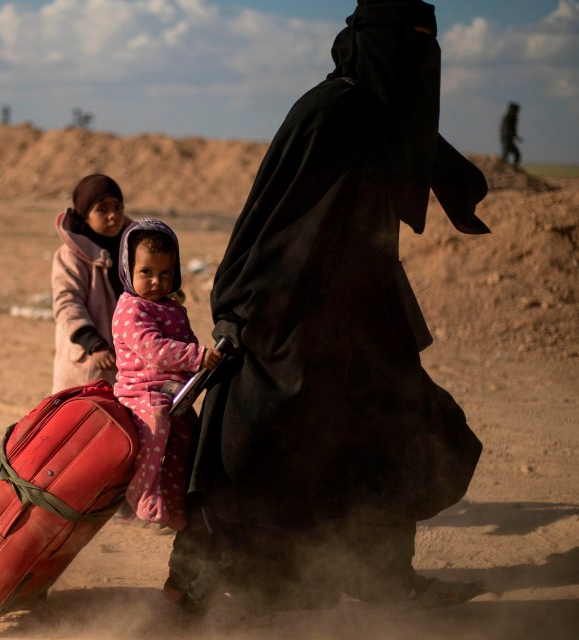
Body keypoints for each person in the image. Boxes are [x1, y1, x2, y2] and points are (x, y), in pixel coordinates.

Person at [165, 0, 490, 615]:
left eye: (430, 44)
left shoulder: (382, 111)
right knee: (257, 446)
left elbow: (424, 147)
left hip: (366, 321)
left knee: (395, 439)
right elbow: (267, 222)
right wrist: (241, 313)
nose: (423, 61)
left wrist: (463, 183)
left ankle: (388, 580)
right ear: (377, 44)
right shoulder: (331, 111)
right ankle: (197, 582)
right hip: (290, 320)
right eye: (411, 44)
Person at [111, 219, 221, 531]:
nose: (156, 281)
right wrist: (199, 357)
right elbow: (154, 350)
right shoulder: (131, 308)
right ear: (128, 269)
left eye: (165, 273)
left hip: (173, 390)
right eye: (146, 272)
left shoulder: (173, 308)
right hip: (141, 391)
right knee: (158, 424)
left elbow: (184, 343)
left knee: (189, 434)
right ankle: (142, 491)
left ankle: (174, 502)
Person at [51, 174, 130, 393]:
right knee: (85, 421)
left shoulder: (132, 250)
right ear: (86, 216)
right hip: (89, 363)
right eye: (102, 209)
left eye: (118, 206)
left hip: (130, 365)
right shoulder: (70, 256)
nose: (113, 215)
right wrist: (94, 344)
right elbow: (67, 303)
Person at [500, 102, 522, 166]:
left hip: (508, 139)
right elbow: (507, 129)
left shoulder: (512, 118)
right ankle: (504, 169)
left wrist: (516, 136)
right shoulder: (509, 117)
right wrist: (514, 136)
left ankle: (513, 169)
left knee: (516, 155)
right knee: (506, 155)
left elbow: (512, 129)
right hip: (506, 139)